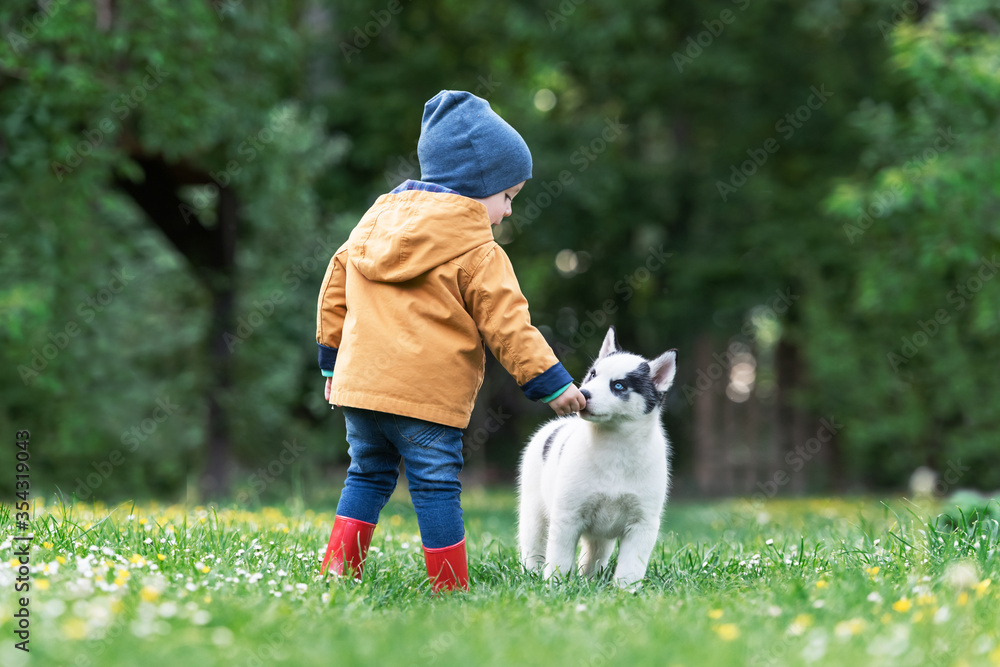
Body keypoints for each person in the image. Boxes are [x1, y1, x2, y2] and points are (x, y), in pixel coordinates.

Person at [315, 90, 587, 591]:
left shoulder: (371, 226)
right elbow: (511, 327)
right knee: (436, 484)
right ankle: (448, 587)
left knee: (366, 475)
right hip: (426, 398)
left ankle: (338, 572)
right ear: (476, 185)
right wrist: (552, 384)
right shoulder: (478, 253)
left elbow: (334, 290)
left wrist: (331, 364)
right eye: (507, 197)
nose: (507, 212)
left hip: (361, 388)